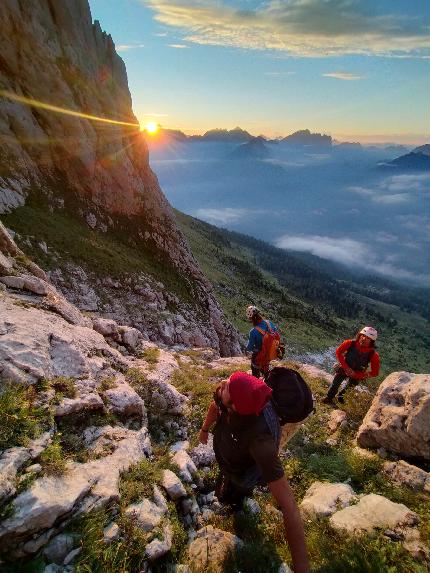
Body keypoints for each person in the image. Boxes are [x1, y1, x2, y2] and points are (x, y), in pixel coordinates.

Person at [199, 371, 310, 573]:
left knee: (236, 490)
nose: (222, 383)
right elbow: (216, 404)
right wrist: (205, 429)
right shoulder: (235, 397)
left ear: (235, 407)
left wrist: (302, 567)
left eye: (227, 386)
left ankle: (234, 504)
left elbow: (289, 505)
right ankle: (228, 494)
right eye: (229, 380)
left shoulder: (261, 444)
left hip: (243, 473)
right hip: (231, 458)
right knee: (226, 480)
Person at [322, 326, 380, 405]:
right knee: (335, 383)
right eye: (363, 336)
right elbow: (338, 352)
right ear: (359, 335)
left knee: (349, 388)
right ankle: (329, 397)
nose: (364, 339)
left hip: (358, 373)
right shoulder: (350, 343)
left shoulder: (373, 354)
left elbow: (375, 372)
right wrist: (346, 368)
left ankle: (340, 397)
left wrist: (358, 375)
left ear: (372, 341)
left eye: (368, 338)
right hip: (344, 368)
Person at [245, 305, 280, 378]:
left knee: (255, 370)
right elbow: (276, 334)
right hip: (270, 352)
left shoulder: (253, 331)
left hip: (259, 356)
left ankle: (256, 381)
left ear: (251, 318)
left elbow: (249, 348)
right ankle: (266, 378)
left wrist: (247, 349)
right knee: (266, 369)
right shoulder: (269, 323)